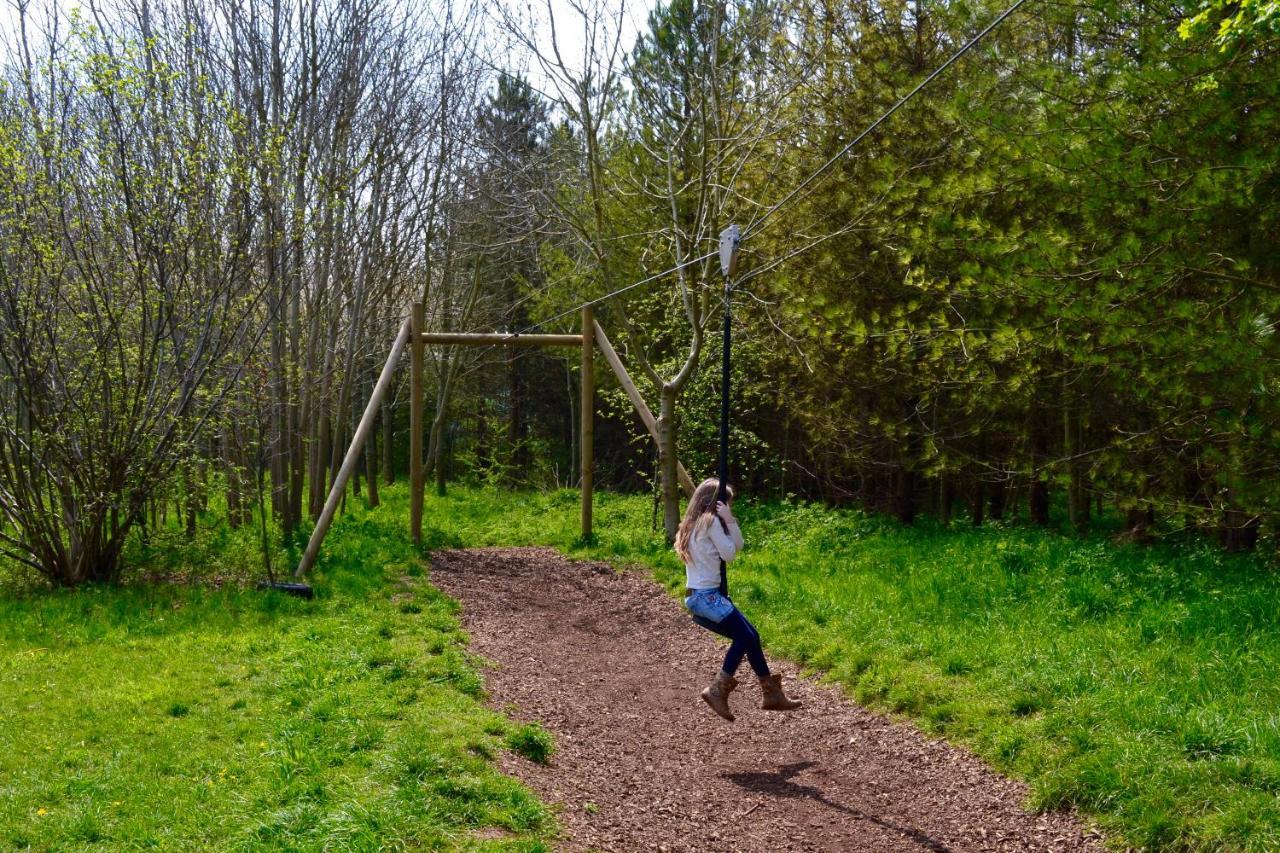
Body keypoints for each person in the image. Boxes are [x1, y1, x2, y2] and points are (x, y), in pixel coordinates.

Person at [676, 477, 801, 721]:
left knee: (751, 636)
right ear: (717, 503)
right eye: (728, 504)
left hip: (697, 596)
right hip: (707, 597)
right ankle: (717, 691)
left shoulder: (692, 523)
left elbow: (737, 545)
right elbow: (731, 553)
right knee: (744, 636)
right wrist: (728, 519)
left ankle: (772, 694)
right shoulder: (710, 521)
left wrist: (729, 521)